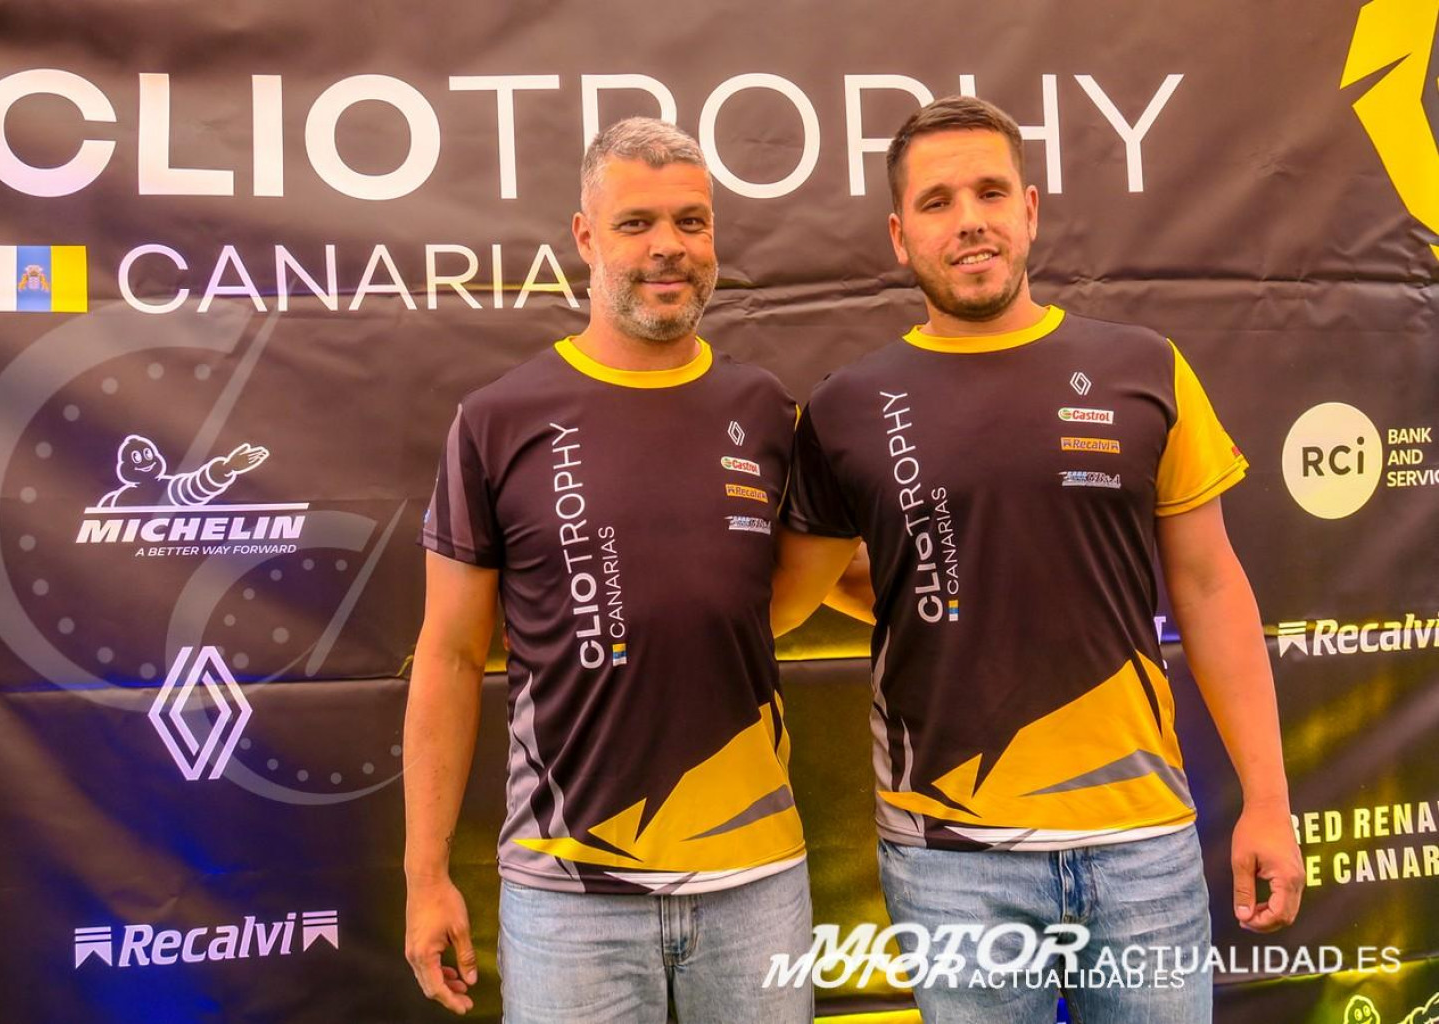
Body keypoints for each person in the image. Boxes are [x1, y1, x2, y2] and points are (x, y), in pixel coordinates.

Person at [770, 96, 1305, 1022]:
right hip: (950, 858)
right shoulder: (848, 406)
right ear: (900, 236)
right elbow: (790, 596)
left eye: (989, 192)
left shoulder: (1147, 368)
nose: (968, 220)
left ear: (1029, 210)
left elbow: (1211, 585)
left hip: (1141, 843)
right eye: (936, 202)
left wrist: (1268, 799)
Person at [403, 117, 811, 1023]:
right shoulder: (496, 421)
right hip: (568, 898)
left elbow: (806, 592)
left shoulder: (765, 409)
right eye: (636, 223)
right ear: (585, 237)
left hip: (756, 884)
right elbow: (451, 657)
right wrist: (426, 876)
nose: (669, 246)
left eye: (692, 221)